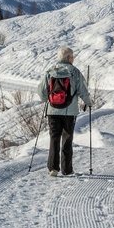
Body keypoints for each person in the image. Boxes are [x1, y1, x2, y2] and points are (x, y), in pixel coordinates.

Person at [37, 46, 92, 177]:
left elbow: (41, 90)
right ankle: (67, 169)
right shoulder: (74, 72)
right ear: (68, 58)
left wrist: (47, 100)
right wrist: (88, 102)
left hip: (53, 111)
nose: (73, 59)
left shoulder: (50, 71)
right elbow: (83, 90)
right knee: (67, 139)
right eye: (72, 57)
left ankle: (53, 168)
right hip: (69, 112)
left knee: (54, 138)